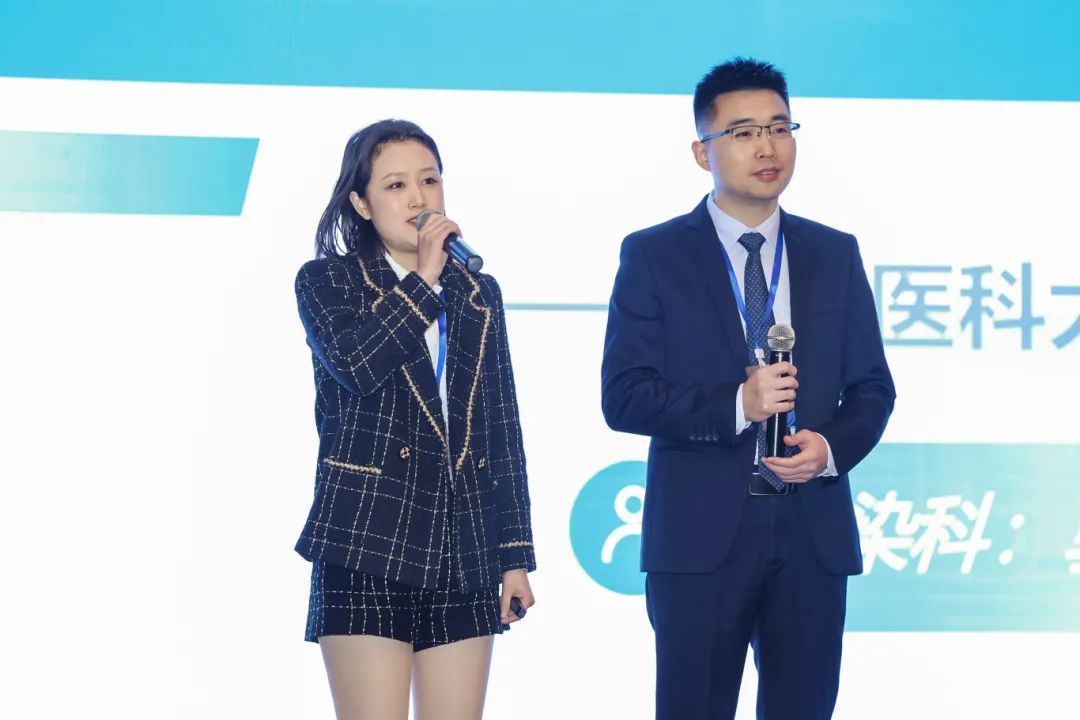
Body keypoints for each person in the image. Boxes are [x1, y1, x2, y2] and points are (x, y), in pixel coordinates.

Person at [600, 58, 896, 719]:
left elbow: (873, 389)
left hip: (812, 535)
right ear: (701, 151)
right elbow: (624, 395)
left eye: (779, 127)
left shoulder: (834, 253)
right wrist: (739, 404)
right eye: (742, 132)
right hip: (699, 540)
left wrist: (829, 449)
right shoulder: (654, 255)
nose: (767, 147)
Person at [294, 119, 536, 720]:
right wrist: (424, 280)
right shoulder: (328, 281)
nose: (419, 198)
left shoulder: (478, 293)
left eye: (429, 180)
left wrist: (513, 555)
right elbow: (358, 364)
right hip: (368, 539)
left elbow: (500, 426)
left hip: (464, 547)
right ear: (361, 203)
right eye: (396, 185)